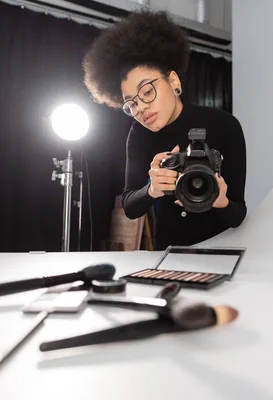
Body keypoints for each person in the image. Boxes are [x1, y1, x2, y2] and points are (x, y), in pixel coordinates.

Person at [82, 10, 247, 250]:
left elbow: (238, 215)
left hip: (221, 250)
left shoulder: (225, 125)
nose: (141, 108)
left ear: (173, 81)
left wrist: (221, 202)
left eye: (147, 92)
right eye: (131, 104)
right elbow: (129, 207)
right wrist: (152, 189)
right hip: (168, 253)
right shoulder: (139, 135)